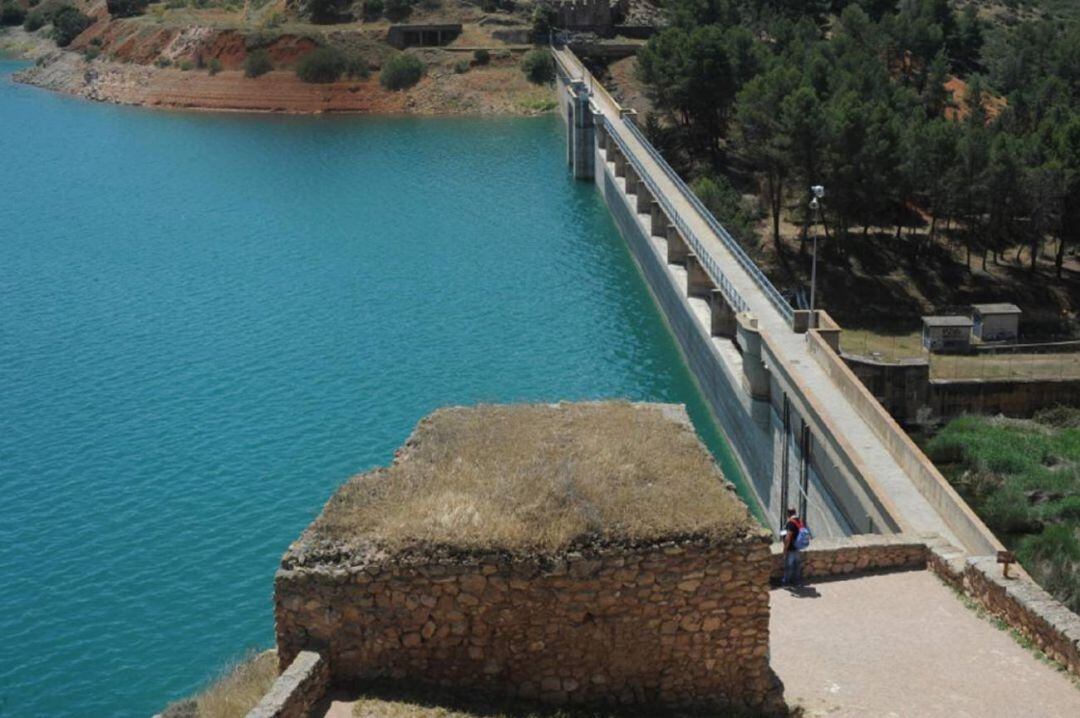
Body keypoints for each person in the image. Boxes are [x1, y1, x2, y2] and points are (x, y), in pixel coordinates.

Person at [782, 507, 805, 586]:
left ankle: (786, 581)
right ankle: (796, 580)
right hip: (798, 547)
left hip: (791, 547)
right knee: (797, 564)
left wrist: (785, 549)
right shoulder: (799, 521)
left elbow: (788, 537)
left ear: (788, 514)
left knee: (789, 565)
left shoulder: (791, 523)